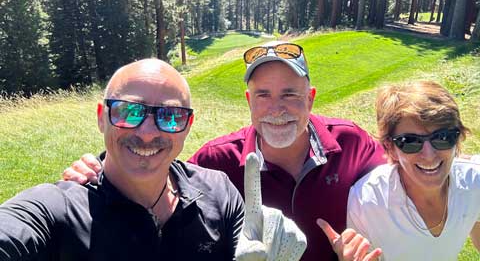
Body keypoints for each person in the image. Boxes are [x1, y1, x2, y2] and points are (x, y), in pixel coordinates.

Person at [63, 42, 385, 260]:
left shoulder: (350, 143)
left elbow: (404, 174)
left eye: (290, 94)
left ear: (311, 98)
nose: (277, 109)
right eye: (263, 95)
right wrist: (99, 168)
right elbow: (154, 170)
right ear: (249, 102)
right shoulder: (217, 162)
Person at [0, 58, 306, 260]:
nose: (147, 133)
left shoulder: (219, 193)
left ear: (188, 125)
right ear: (102, 118)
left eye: (171, 116)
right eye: (129, 112)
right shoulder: (58, 211)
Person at [347, 80, 480, 260]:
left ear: (457, 138)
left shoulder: (475, 181)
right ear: (390, 148)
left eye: (442, 137)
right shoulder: (366, 202)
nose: (429, 155)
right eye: (410, 142)